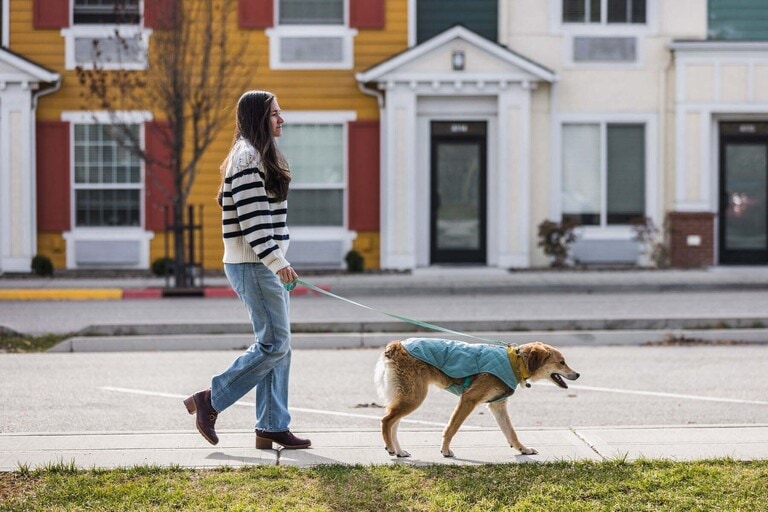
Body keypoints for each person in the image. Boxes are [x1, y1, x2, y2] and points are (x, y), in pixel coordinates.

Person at [184, 90, 310, 450]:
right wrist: (277, 261)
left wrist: (278, 259)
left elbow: (267, 218)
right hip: (253, 263)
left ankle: (271, 425)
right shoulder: (246, 158)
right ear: (258, 118)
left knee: (278, 345)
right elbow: (253, 221)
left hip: (262, 262)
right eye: (274, 114)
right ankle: (211, 399)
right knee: (275, 343)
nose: (281, 119)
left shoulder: (259, 155)